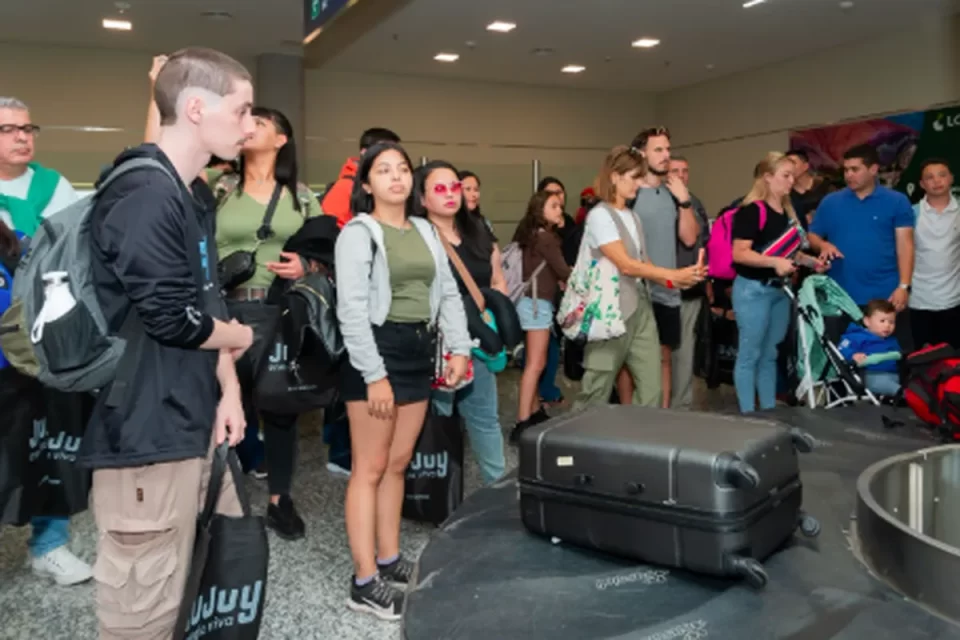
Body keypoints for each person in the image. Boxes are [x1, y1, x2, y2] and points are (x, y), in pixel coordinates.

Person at [81, 47, 256, 638]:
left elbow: (205, 296)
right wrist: (244, 334)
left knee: (204, 588)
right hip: (144, 434)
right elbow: (174, 319)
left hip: (194, 419)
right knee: (143, 608)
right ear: (199, 109)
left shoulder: (190, 194)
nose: (251, 126)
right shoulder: (144, 194)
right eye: (243, 110)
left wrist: (228, 389)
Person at [335, 142, 470, 620]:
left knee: (397, 464)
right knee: (369, 468)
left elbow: (448, 292)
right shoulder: (358, 232)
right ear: (366, 183)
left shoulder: (425, 231)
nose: (396, 177)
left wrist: (459, 347)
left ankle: (389, 561)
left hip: (417, 352)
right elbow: (350, 310)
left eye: (403, 169)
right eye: (384, 170)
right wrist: (374, 376)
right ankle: (364, 580)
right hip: (375, 350)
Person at [212, 106, 323, 540]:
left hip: (279, 311)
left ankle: (280, 500)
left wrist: (308, 264)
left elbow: (326, 251)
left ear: (281, 139)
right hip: (224, 310)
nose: (248, 127)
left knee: (280, 408)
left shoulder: (300, 195)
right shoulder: (218, 187)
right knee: (218, 406)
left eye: (259, 123)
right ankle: (222, 501)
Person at [0, 95, 91, 585]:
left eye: (28, 127)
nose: (22, 137)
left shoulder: (55, 189)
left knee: (51, 444)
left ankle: (49, 542)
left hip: (45, 343)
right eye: (8, 129)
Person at [573, 146, 704, 410]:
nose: (640, 183)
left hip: (639, 307)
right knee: (596, 390)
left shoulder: (632, 217)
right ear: (614, 177)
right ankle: (577, 445)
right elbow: (626, 265)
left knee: (652, 386)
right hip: (608, 311)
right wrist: (673, 274)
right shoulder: (600, 216)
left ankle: (638, 442)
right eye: (634, 177)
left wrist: (677, 281)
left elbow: (646, 264)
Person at [413, 160, 507, 485]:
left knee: (485, 419)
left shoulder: (477, 231)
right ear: (422, 198)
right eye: (440, 189)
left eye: (455, 186)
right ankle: (439, 492)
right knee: (438, 421)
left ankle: (499, 491)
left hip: (477, 343)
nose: (451, 194)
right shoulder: (416, 237)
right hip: (438, 348)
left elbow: (495, 278)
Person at [321, 127, 400, 477]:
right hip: (352, 295)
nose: (394, 172)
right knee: (350, 378)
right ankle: (341, 452)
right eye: (384, 161)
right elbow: (328, 237)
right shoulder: (344, 190)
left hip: (378, 300)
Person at [731, 152, 826, 413]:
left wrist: (812, 263)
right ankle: (748, 413)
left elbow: (790, 253)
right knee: (750, 354)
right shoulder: (752, 211)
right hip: (753, 290)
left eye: (792, 176)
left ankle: (769, 410)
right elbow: (739, 253)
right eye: (785, 176)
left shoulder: (786, 213)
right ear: (768, 178)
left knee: (770, 354)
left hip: (778, 292)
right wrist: (774, 263)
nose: (790, 181)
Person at [808, 144, 915, 352]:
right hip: (841, 295)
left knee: (894, 360)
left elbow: (906, 245)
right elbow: (812, 235)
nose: (849, 175)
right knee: (844, 359)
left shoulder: (897, 201)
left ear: (873, 169)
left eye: (855, 169)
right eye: (846, 170)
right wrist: (822, 244)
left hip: (886, 296)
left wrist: (904, 286)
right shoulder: (831, 202)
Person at [630, 128, 701, 408]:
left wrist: (684, 200)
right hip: (634, 289)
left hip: (667, 290)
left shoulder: (673, 192)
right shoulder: (630, 191)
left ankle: (662, 419)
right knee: (630, 361)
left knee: (664, 358)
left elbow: (689, 237)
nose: (666, 156)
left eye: (667, 150)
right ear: (641, 153)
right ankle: (626, 418)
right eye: (658, 150)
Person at [512, 190, 572, 439]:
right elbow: (563, 270)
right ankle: (523, 421)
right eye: (554, 206)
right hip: (537, 305)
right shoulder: (546, 238)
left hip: (530, 303)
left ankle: (534, 409)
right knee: (536, 364)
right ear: (541, 211)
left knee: (534, 361)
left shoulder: (532, 235)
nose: (560, 210)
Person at [668, 156, 711, 409]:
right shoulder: (657, 201)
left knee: (684, 350)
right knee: (661, 353)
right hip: (662, 284)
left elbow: (701, 243)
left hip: (690, 288)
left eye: (685, 171)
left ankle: (681, 405)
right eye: (675, 171)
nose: (682, 176)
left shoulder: (695, 203)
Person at [909, 159, 960, 349]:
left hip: (954, 299)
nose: (936, 181)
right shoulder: (911, 213)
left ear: (951, 179)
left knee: (953, 363)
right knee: (924, 363)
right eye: (929, 177)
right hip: (919, 300)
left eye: (942, 175)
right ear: (922, 184)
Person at [839, 299, 902, 397]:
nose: (887, 325)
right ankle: (904, 395)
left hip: (894, 375)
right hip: (870, 375)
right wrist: (853, 355)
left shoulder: (892, 341)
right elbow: (841, 349)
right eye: (882, 321)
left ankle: (905, 394)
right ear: (867, 321)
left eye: (891, 322)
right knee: (895, 389)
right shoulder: (856, 336)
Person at [785, 149, 831, 229]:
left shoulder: (825, 186)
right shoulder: (787, 194)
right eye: (786, 164)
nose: (789, 168)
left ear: (805, 166)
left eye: (793, 163)